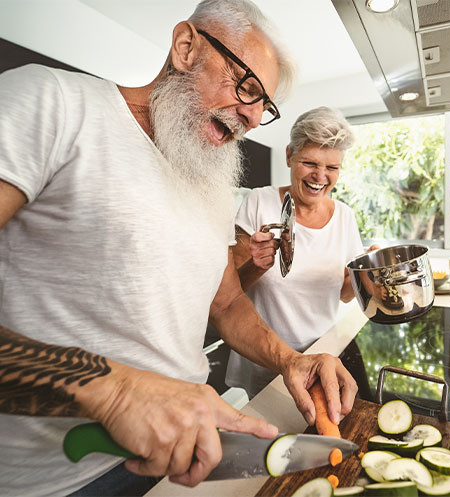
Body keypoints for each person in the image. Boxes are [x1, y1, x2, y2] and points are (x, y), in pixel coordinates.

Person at [0, 2, 357, 496]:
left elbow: (228, 304)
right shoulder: (52, 103)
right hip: (54, 478)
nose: (252, 117)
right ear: (186, 47)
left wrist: (290, 361)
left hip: (182, 459)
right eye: (246, 86)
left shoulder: (209, 184)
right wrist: (116, 392)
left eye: (263, 106)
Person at [226, 106, 371, 398]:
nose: (320, 176)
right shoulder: (259, 203)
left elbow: (343, 293)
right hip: (268, 358)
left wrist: (368, 275)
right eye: (310, 163)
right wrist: (258, 264)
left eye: (332, 168)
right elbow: (229, 293)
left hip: (325, 352)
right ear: (290, 155)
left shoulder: (345, 216)